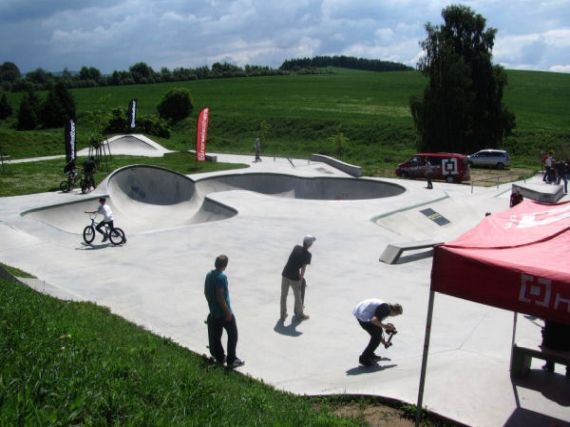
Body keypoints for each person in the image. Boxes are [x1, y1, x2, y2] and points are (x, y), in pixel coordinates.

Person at [204, 255, 244, 368]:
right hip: (223, 313)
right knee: (233, 335)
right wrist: (227, 312)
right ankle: (231, 360)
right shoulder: (221, 277)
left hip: (214, 313)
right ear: (225, 265)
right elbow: (220, 296)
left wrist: (211, 306)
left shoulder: (209, 275)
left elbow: (205, 292)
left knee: (216, 337)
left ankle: (220, 357)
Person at [353, 299, 403, 366]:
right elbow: (374, 321)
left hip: (359, 312)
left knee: (376, 334)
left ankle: (370, 354)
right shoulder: (385, 309)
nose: (394, 316)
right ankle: (364, 358)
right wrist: (385, 326)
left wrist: (384, 342)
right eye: (396, 315)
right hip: (363, 315)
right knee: (376, 336)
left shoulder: (385, 308)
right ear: (395, 312)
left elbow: (377, 328)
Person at [280, 235, 316, 322]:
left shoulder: (296, 247)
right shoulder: (308, 255)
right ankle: (300, 314)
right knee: (298, 296)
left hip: (285, 273)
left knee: (283, 295)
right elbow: (303, 269)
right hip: (293, 276)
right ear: (310, 245)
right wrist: (300, 280)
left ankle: (282, 315)